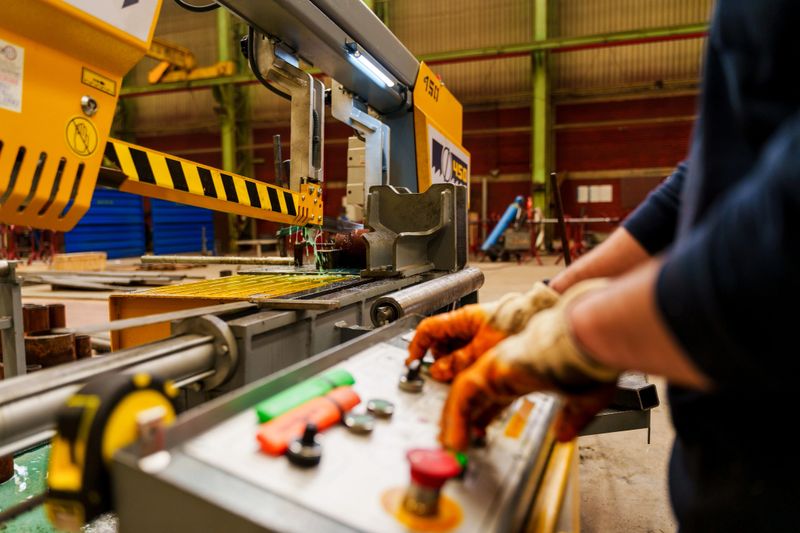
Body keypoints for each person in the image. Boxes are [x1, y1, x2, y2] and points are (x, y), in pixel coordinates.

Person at [407, 1, 800, 530]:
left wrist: (578, 335)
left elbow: (784, 231)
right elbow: (707, 178)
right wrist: (544, 301)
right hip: (731, 472)